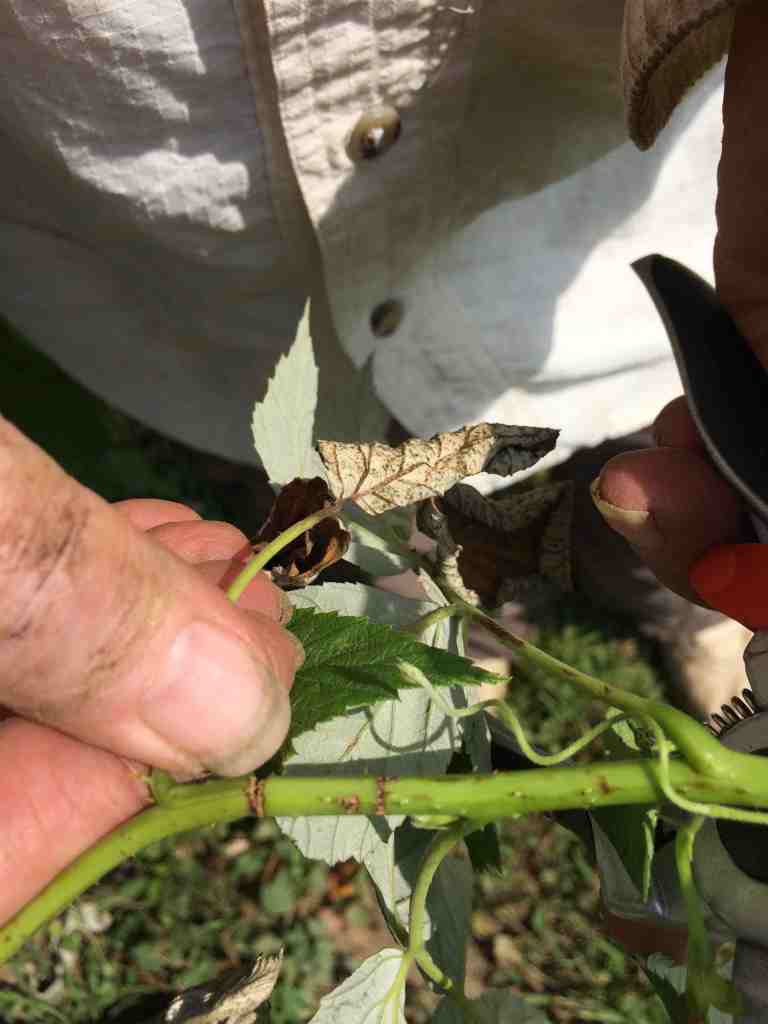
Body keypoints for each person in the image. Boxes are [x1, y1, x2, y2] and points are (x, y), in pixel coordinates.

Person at [0, 0, 764, 926]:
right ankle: (468, 642)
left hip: (598, 248)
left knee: (662, 496)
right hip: (220, 284)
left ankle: (699, 621)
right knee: (375, 538)